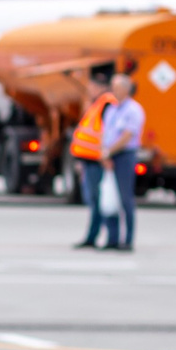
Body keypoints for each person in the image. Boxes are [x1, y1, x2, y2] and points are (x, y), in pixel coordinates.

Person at [73, 69, 118, 250]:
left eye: (92, 85)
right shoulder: (98, 103)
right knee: (96, 201)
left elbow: (108, 133)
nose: (90, 88)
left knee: (101, 201)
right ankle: (94, 236)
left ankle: (104, 237)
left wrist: (105, 155)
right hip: (90, 159)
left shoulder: (106, 104)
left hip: (98, 160)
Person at [99, 72, 144, 252]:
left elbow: (127, 135)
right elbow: (106, 133)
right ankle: (112, 238)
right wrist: (104, 154)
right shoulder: (112, 110)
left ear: (126, 89)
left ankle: (128, 240)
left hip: (125, 155)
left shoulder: (133, 110)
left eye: (117, 88)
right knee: (110, 199)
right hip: (110, 156)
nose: (114, 91)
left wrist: (109, 151)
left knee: (125, 199)